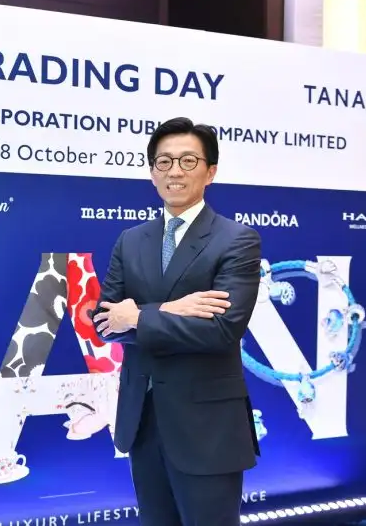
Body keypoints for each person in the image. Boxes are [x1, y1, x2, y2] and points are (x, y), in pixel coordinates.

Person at [92, 117, 262, 526]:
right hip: (143, 420)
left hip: (207, 428)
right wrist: (170, 310)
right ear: (153, 173)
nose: (175, 171)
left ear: (210, 171)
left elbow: (221, 330)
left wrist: (139, 316)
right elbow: (104, 320)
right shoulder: (131, 240)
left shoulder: (237, 239)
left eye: (188, 161)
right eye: (164, 162)